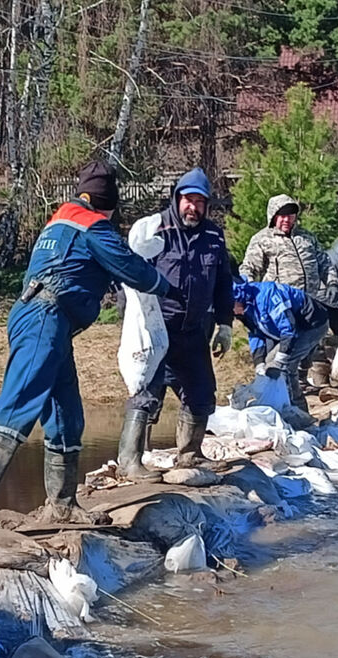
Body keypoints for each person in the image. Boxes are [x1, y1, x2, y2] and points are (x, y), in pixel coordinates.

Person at [0, 160, 174, 527]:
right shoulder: (91, 225)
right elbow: (129, 265)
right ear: (107, 203)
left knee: (66, 413)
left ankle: (62, 503)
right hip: (44, 317)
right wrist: (164, 286)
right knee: (20, 402)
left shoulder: (60, 221)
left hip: (49, 320)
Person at [116, 167, 233, 481]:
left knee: (202, 393)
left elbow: (223, 281)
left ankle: (190, 455)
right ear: (176, 199)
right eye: (188, 200)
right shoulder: (155, 230)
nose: (193, 207)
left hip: (194, 331)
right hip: (156, 330)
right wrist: (129, 326)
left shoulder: (213, 236)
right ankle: (130, 461)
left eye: (200, 201)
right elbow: (129, 275)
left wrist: (225, 323)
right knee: (146, 392)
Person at [231, 280, 332, 412]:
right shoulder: (244, 308)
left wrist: (280, 360)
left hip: (311, 325)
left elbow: (288, 329)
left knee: (285, 367)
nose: (233, 313)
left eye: (231, 307)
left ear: (238, 298)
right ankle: (280, 407)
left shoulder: (268, 296)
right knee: (268, 366)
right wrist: (259, 362)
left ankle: (298, 412)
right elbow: (255, 334)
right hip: (290, 331)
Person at [239, 194, 332, 299]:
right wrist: (251, 295)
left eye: (290, 215)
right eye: (282, 216)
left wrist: (332, 283)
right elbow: (248, 269)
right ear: (274, 216)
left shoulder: (307, 237)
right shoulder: (261, 239)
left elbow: (325, 263)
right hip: (280, 304)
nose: (287, 220)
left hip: (311, 301)